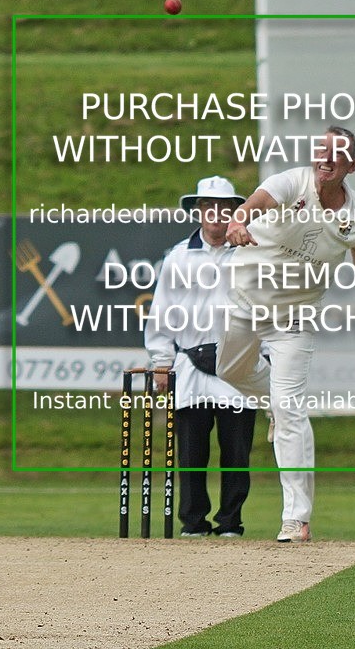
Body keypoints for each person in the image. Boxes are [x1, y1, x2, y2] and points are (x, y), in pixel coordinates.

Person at [217, 126, 355, 543]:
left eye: (337, 153)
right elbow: (255, 204)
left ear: (352, 166)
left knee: (291, 409)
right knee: (229, 372)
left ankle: (296, 519)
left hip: (294, 318)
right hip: (243, 299)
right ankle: (272, 404)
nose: (326, 158)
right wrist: (238, 221)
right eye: (322, 149)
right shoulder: (292, 182)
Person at [145, 176, 257, 538]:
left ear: (234, 213)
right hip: (191, 364)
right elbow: (163, 312)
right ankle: (193, 523)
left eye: (225, 208)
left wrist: (267, 357)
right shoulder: (178, 256)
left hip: (238, 363)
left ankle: (230, 522)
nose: (217, 215)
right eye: (209, 207)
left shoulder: (251, 254)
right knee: (192, 452)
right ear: (198, 211)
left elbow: (266, 309)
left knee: (236, 452)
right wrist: (161, 361)